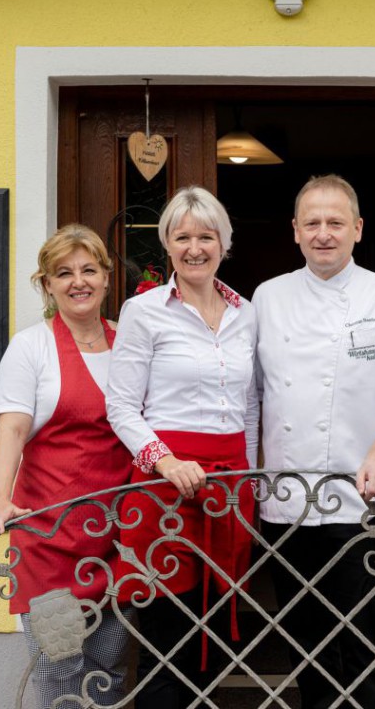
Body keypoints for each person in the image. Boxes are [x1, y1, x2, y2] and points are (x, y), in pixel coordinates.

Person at [253, 174, 375, 709]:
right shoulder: (268, 296)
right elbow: (250, 395)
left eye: (335, 223)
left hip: (363, 500)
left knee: (363, 643)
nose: (323, 234)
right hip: (285, 502)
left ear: (357, 228)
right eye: (312, 223)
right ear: (294, 231)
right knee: (303, 645)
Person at [105, 186, 259, 709]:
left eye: (206, 236)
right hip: (164, 491)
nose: (195, 247)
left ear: (224, 243)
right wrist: (166, 462)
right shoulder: (143, 311)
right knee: (167, 646)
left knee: (213, 643)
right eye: (183, 236)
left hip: (228, 491)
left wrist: (251, 478)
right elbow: (121, 407)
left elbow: (252, 405)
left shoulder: (247, 311)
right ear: (167, 246)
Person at [0, 224, 134, 709]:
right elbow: (12, 434)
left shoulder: (128, 343)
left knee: (107, 675)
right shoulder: (32, 348)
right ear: (47, 284)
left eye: (88, 270)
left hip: (116, 540)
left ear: (107, 278)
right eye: (63, 273)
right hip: (50, 543)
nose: (77, 281)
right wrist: (1, 501)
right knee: (62, 677)